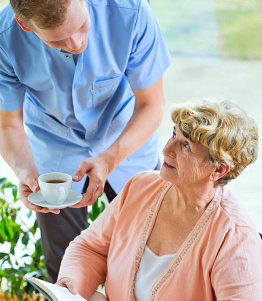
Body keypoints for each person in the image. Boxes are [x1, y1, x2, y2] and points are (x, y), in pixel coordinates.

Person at [0, 0, 171, 282]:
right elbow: (8, 125)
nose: (77, 43)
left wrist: (110, 158)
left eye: (82, 26)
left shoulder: (132, 10)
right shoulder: (6, 36)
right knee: (64, 267)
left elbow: (151, 105)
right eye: (57, 41)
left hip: (127, 137)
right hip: (53, 145)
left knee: (149, 262)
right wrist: (25, 172)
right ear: (24, 26)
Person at [57, 100, 262, 300]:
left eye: (186, 146)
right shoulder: (140, 187)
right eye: (174, 134)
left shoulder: (235, 237)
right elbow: (91, 248)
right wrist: (73, 285)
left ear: (218, 169)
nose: (166, 149)